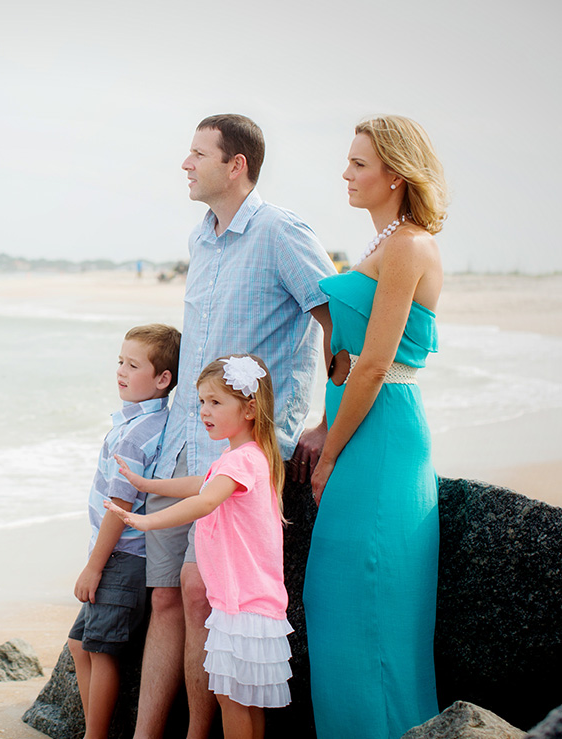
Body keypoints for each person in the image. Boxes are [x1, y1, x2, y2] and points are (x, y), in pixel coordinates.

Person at [138, 114, 336, 739]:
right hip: (182, 437)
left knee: (203, 595)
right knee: (167, 596)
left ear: (236, 164)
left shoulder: (282, 232)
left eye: (197, 154)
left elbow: (336, 323)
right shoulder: (201, 238)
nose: (185, 164)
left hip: (241, 453)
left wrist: (325, 422)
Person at [303, 115, 448, 739]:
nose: (346, 174)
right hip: (353, 425)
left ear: (395, 172)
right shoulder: (377, 244)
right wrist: (319, 422)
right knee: (332, 601)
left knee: (369, 606)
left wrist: (331, 453)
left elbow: (378, 365)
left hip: (382, 440)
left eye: (359, 163)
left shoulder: (411, 244)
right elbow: (347, 359)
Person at [107, 354, 292, 739]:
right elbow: (198, 485)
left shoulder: (240, 462)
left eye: (216, 402)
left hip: (240, 605)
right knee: (246, 702)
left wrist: (145, 520)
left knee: (232, 701)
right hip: (254, 605)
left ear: (250, 409)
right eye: (202, 402)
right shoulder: (246, 457)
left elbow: (205, 501)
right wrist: (145, 485)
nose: (204, 412)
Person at [69, 323, 182, 739]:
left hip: (124, 557)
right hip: (117, 554)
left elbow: (119, 506)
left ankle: (95, 734)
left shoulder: (137, 434)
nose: (120, 371)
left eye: (133, 365)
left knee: (101, 651)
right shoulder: (137, 422)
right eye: (120, 361)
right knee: (80, 645)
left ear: (162, 379)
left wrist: (93, 568)